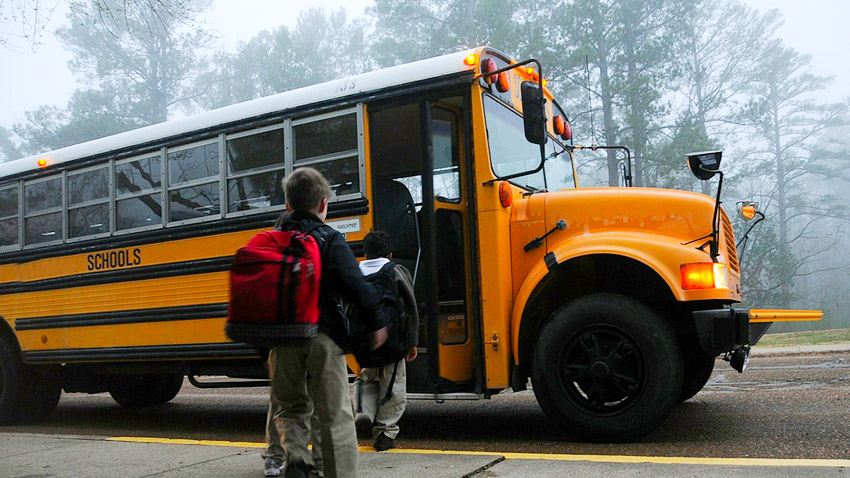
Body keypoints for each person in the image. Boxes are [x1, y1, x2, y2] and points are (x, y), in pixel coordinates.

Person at [262, 167, 386, 478]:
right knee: (334, 416)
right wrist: (376, 323)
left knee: (288, 408)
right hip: (322, 337)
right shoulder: (329, 239)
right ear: (323, 204)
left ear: (289, 205)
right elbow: (356, 287)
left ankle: (296, 461)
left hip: (282, 340)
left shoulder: (272, 241)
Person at [352, 230, 419, 452]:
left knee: (367, 379)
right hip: (393, 342)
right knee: (393, 386)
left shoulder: (354, 273)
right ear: (389, 254)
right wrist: (412, 341)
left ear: (365, 252)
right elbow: (410, 307)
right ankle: (385, 433)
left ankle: (363, 412)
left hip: (363, 343)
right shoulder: (396, 271)